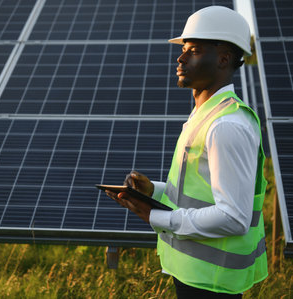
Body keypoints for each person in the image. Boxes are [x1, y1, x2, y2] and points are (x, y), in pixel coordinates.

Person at [104, 6, 268, 298]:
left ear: (223, 59)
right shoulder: (205, 116)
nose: (180, 57)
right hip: (196, 273)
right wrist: (153, 191)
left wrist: (157, 217)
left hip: (213, 281)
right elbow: (202, 193)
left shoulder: (226, 125)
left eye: (193, 50)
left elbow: (234, 217)